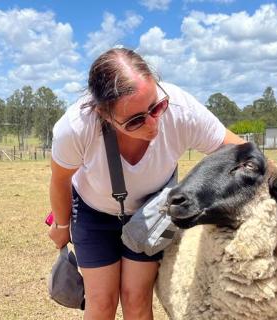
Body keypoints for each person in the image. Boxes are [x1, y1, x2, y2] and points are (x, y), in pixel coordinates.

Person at [48, 47, 244, 320]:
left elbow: (240, 153)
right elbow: (60, 180)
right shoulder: (76, 127)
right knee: (101, 301)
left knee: (136, 298)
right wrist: (61, 225)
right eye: (136, 120)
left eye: (156, 106)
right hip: (94, 213)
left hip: (152, 212)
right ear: (104, 114)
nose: (153, 124)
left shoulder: (180, 108)